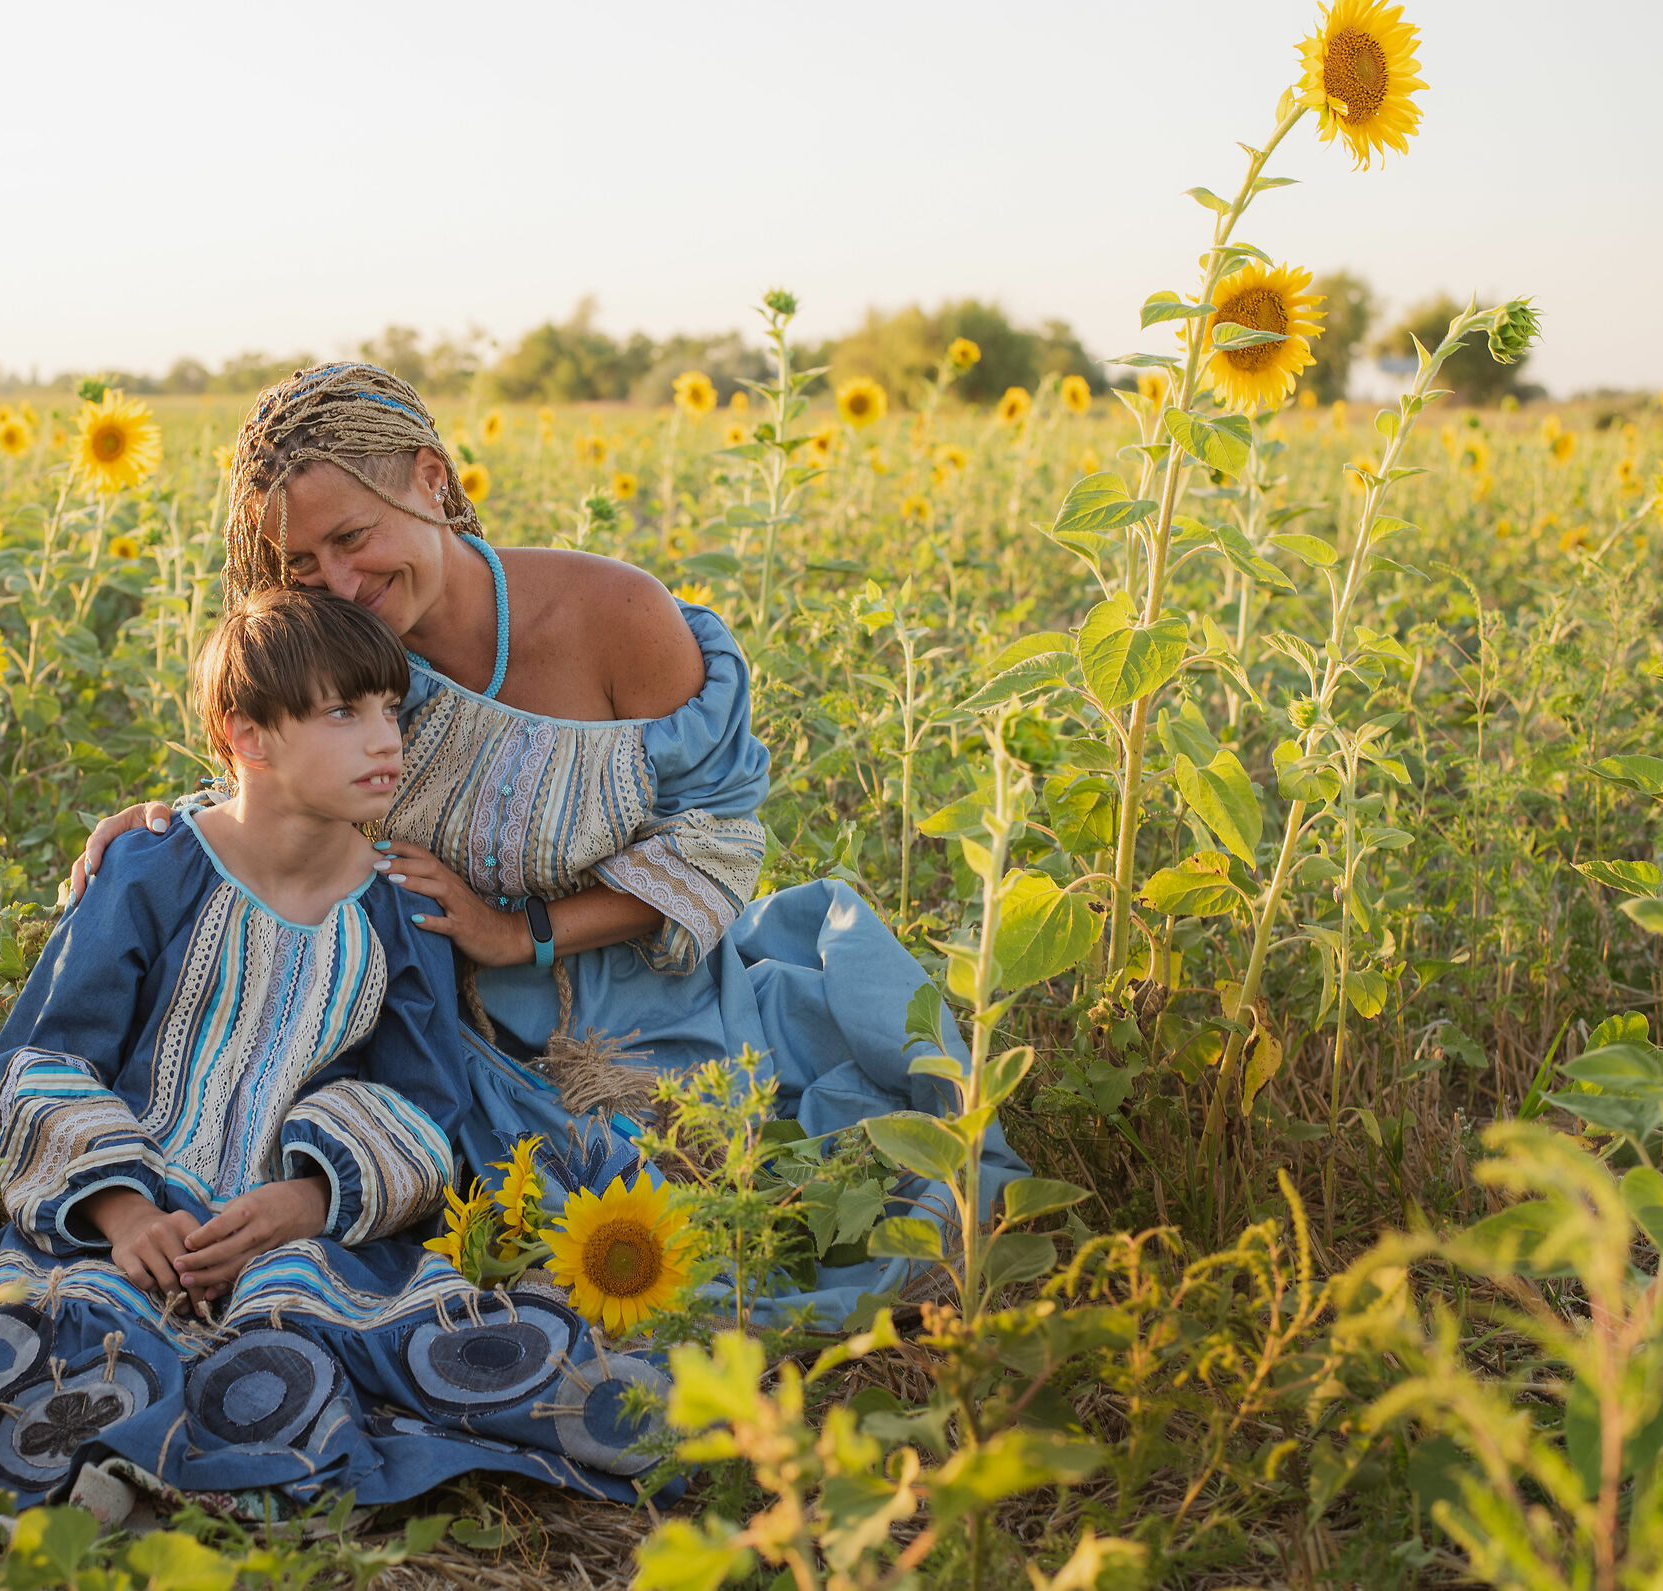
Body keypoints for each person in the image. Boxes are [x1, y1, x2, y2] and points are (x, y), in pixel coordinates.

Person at [75, 364, 1026, 1326]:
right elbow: (289, 758)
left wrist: (517, 933)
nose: (341, 583)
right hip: (432, 1023)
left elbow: (716, 844)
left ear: (432, 481)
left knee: (749, 1205)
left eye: (353, 537)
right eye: (302, 564)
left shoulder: (615, 616)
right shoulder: (343, 648)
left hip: (650, 1003)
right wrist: (181, 822)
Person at [0, 588, 667, 1520]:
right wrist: (126, 1216)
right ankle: (93, 1473)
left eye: (387, 710)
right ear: (247, 736)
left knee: (321, 1337)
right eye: (344, 712)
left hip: (290, 1234)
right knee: (78, 1320)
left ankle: (194, 1472)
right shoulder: (151, 868)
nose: (385, 739)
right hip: (128, 1216)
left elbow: (421, 1101)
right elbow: (47, 1055)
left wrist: (306, 1199)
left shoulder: (401, 908)